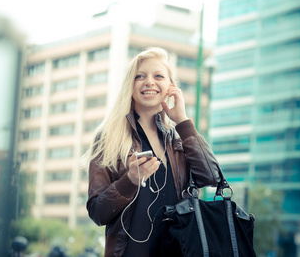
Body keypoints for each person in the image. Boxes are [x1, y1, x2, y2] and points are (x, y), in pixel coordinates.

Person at [83, 47, 221, 257]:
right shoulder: (108, 138)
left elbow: (211, 177)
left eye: (158, 76)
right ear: (130, 85)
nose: (149, 82)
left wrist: (183, 121)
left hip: (178, 250)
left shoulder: (177, 139)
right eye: (140, 76)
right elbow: (98, 212)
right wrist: (130, 180)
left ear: (170, 87)